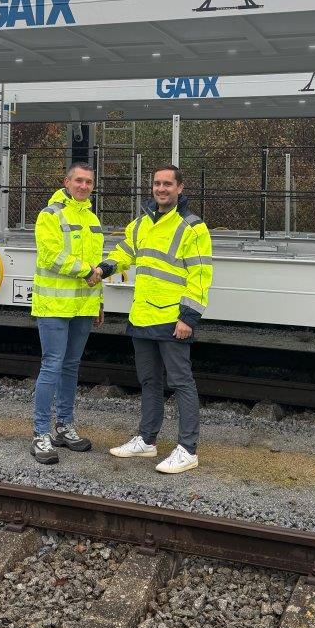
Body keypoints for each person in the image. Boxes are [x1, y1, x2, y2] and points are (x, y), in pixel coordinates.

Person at [90, 165, 212, 474]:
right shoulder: (141, 224)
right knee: (149, 381)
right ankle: (147, 440)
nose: (161, 188)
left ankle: (188, 449)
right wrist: (102, 270)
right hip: (143, 316)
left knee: (181, 383)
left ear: (180, 188)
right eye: (157, 183)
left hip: (173, 318)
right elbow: (123, 254)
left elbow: (200, 276)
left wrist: (188, 318)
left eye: (167, 184)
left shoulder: (192, 228)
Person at [29, 162, 105, 465]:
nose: (84, 186)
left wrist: (99, 302)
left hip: (83, 306)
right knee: (52, 366)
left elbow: (97, 265)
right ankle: (40, 434)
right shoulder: (50, 215)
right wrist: (87, 271)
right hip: (54, 305)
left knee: (71, 367)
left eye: (89, 182)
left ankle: (63, 427)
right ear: (67, 182)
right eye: (79, 181)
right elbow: (51, 256)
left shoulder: (91, 218)